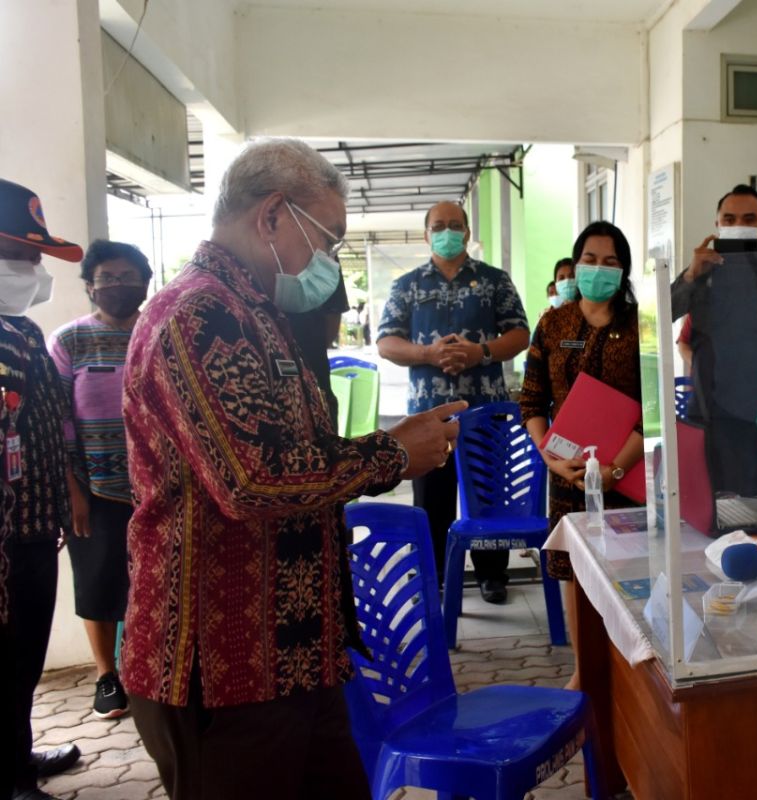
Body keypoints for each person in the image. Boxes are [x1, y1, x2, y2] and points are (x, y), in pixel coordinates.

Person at [121, 139, 465, 800]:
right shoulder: (198, 316)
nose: (329, 261)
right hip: (223, 670)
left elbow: (295, 453)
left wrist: (389, 442)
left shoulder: (257, 314)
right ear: (272, 215)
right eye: (328, 238)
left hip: (296, 660)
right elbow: (252, 480)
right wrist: (393, 455)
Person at [377, 200, 530, 604]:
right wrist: (428, 354)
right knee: (432, 500)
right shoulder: (406, 284)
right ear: (427, 234)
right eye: (439, 226)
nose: (448, 232)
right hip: (427, 417)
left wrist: (479, 353)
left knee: (487, 495)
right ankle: (436, 577)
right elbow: (386, 342)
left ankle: (492, 574)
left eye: (455, 225)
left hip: (485, 414)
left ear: (467, 231)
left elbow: (519, 334)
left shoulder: (495, 281)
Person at [520, 222, 642, 688]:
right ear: (575, 264)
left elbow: (647, 412)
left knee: (625, 569)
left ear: (623, 270)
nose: (598, 268)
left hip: (623, 477)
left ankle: (624, 670)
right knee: (573, 568)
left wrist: (613, 470)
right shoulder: (555, 324)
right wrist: (551, 457)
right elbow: (532, 401)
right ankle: (583, 668)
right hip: (566, 473)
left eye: (610, 262)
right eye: (590, 259)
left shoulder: (637, 327)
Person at [0, 178, 82, 800]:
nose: (33, 269)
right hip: (4, 538)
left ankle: (19, 755)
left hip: (32, 527)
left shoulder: (21, 330)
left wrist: (64, 499)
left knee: (23, 654)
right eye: (21, 256)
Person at [48, 240, 152, 721]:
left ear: (146, 282)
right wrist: (72, 490)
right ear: (89, 285)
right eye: (106, 278)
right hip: (96, 488)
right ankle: (106, 676)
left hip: (160, 487)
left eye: (128, 276)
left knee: (152, 580)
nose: (117, 286)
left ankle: (146, 668)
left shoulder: (160, 334)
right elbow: (57, 420)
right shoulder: (68, 341)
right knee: (97, 580)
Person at [671, 185, 757, 497]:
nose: (737, 226)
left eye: (748, 219)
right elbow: (660, 315)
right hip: (712, 419)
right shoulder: (701, 277)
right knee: (711, 514)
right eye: (729, 219)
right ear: (717, 225)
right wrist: (691, 275)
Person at [285, 257, 351, 419]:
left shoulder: (327, 262)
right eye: (328, 241)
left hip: (317, 384)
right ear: (269, 229)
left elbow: (332, 319)